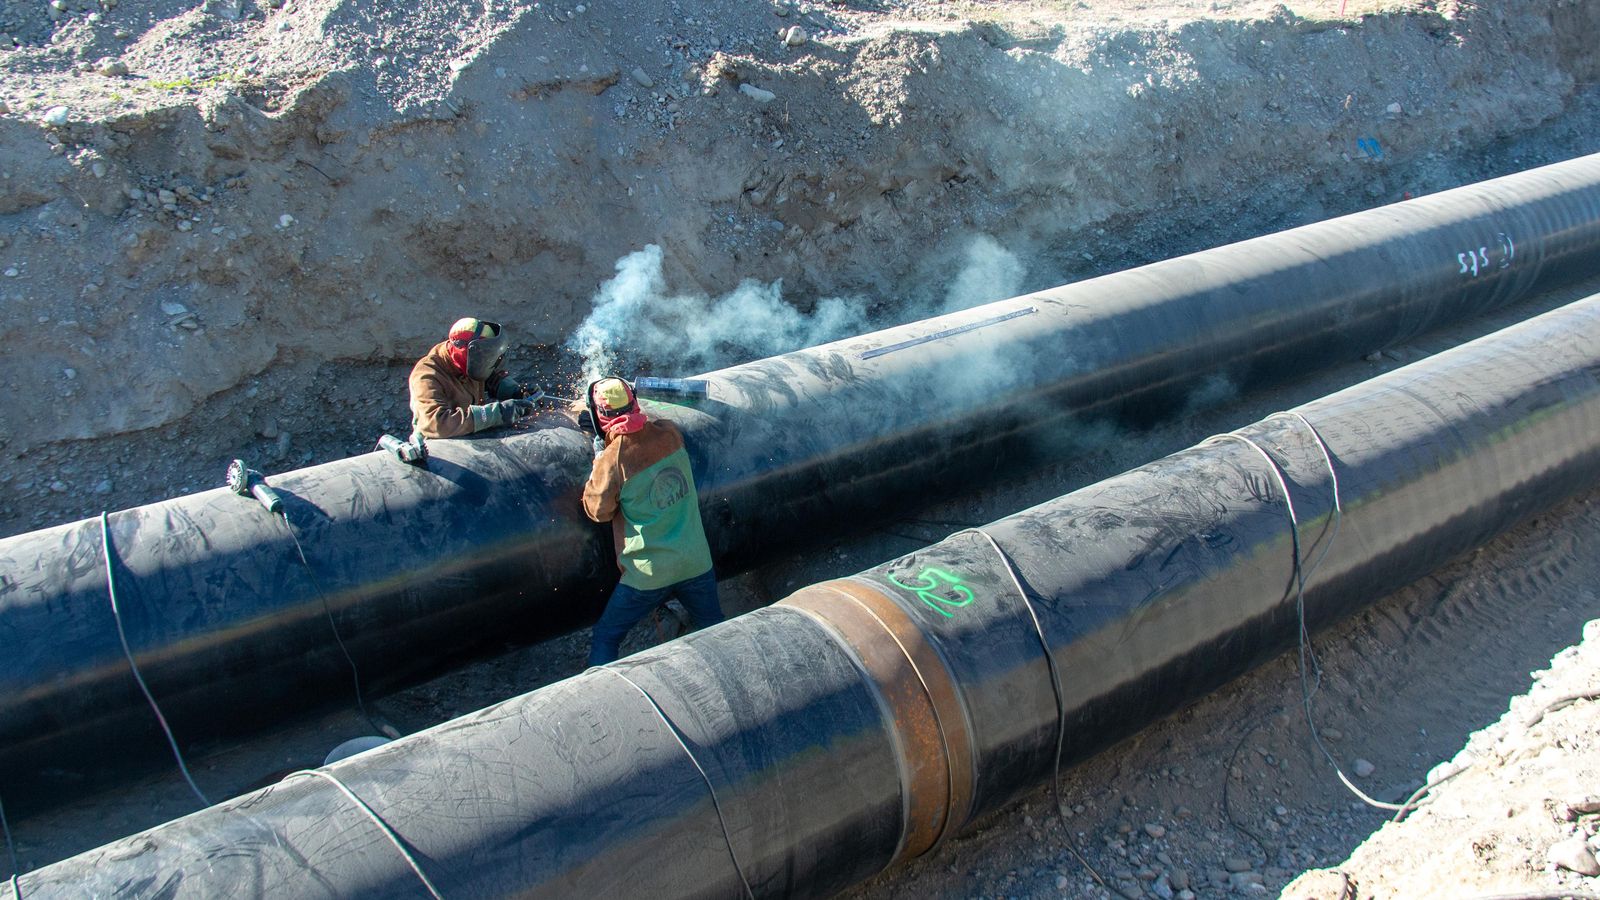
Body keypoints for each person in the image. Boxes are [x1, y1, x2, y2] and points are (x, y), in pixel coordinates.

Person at [581, 376, 723, 665]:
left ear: (599, 417)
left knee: (606, 637)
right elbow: (645, 429)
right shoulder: (670, 433)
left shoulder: (612, 460)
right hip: (696, 560)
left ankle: (602, 688)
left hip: (648, 573)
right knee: (718, 629)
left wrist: (600, 457)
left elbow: (598, 511)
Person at [408, 317, 539, 438]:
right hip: (438, 447)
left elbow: (491, 377)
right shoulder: (427, 375)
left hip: (469, 439)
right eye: (484, 355)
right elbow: (436, 424)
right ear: (464, 351)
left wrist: (517, 391)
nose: (486, 359)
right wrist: (497, 413)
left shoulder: (470, 361)